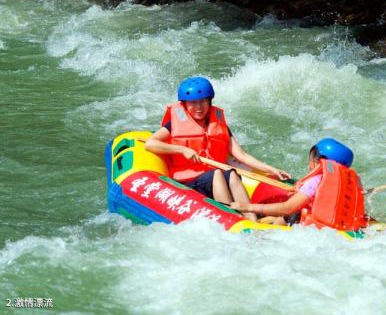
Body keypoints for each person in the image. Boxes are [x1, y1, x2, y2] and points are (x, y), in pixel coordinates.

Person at [145, 76, 291, 221]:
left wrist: (271, 169)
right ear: (184, 104)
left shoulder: (219, 124)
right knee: (217, 174)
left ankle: (251, 219)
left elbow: (241, 155)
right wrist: (182, 150)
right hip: (188, 181)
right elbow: (150, 143)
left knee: (231, 174)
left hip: (213, 177)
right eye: (193, 103)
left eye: (203, 101)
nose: (198, 107)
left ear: (209, 101)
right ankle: (231, 218)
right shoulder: (174, 124)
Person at [231, 138, 368, 230]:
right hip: (334, 227)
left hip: (310, 229)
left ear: (320, 160)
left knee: (292, 214)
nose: (309, 163)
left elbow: (287, 208)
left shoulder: (315, 181)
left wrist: (248, 207)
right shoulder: (350, 185)